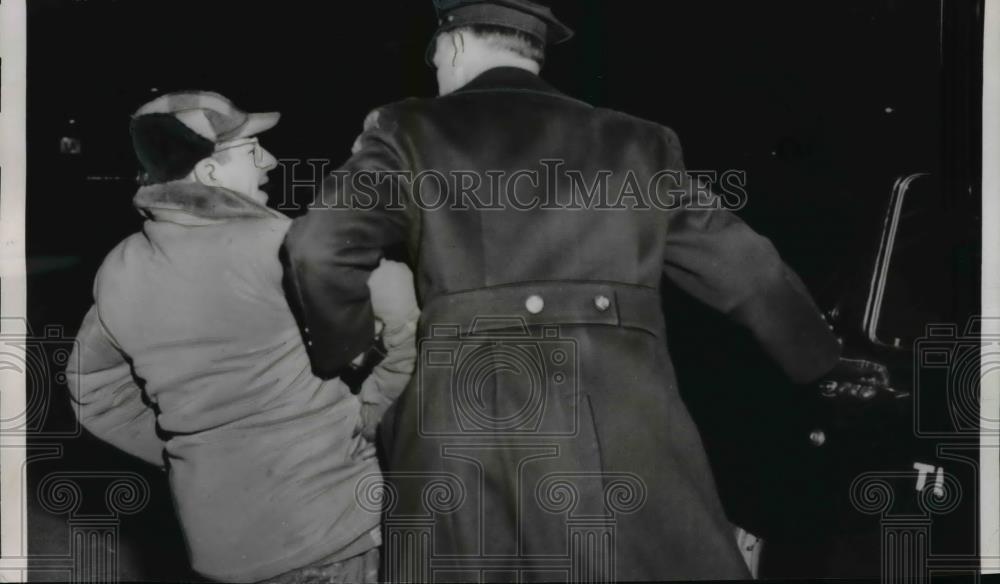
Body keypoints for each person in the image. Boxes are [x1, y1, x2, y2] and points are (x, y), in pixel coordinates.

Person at [280, 1, 887, 580]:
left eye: (437, 58)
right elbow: (747, 267)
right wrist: (818, 360)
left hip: (465, 418)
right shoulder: (638, 142)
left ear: (457, 42)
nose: (439, 73)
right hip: (622, 412)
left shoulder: (407, 129)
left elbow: (318, 247)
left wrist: (347, 348)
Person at [66, 90, 420, 584]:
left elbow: (94, 393)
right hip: (327, 526)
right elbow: (401, 299)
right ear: (209, 173)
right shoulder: (283, 247)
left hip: (218, 543)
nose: (271, 162)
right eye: (253, 151)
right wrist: (372, 408)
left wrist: (189, 451)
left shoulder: (120, 268)